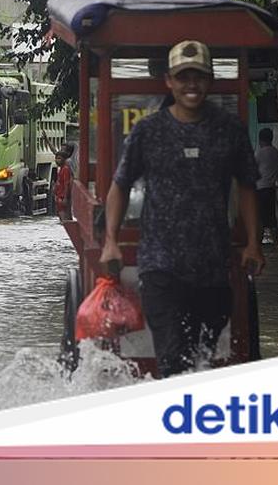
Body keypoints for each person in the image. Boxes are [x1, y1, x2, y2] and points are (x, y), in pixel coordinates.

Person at [99, 40, 264, 378]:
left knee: (201, 362)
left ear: (210, 80)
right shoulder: (148, 131)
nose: (192, 85)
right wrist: (111, 241)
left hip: (213, 268)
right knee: (173, 361)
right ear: (169, 81)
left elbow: (247, 187)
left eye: (199, 76)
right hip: (160, 267)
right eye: (183, 77)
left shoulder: (229, 130)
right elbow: (120, 185)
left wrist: (253, 243)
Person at [254, 128, 278, 243]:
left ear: (261, 140)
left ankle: (258, 241)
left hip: (260, 188)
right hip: (271, 188)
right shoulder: (276, 153)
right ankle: (275, 240)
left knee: (259, 216)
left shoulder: (260, 153)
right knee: (271, 216)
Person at [54, 145, 75, 220]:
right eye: (56, 158)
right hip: (60, 196)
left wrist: (65, 198)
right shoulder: (61, 169)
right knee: (62, 217)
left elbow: (67, 184)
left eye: (59, 158)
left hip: (63, 197)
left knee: (64, 218)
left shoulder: (66, 169)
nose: (57, 160)